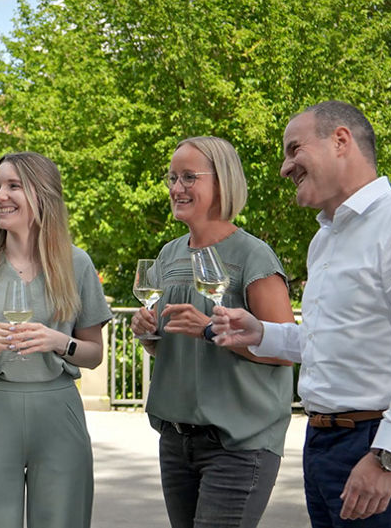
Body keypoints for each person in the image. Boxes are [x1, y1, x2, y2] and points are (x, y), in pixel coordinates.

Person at [212, 101, 391, 527]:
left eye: (294, 149)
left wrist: (386, 456)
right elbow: (332, 341)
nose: (285, 167)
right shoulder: (325, 239)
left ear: (340, 140)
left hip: (374, 442)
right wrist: (260, 333)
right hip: (321, 444)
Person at [128, 137, 296, 528]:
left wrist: (208, 330)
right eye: (172, 177)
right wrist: (149, 335)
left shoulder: (253, 257)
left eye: (189, 177)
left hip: (238, 444)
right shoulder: (168, 256)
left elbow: (286, 349)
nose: (176, 187)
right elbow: (172, 348)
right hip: (176, 442)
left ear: (222, 182)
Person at [0, 151, 112, 528]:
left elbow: (95, 354)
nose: (0, 195)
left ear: (42, 195)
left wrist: (57, 341)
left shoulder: (76, 264)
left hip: (59, 410)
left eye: (14, 186)